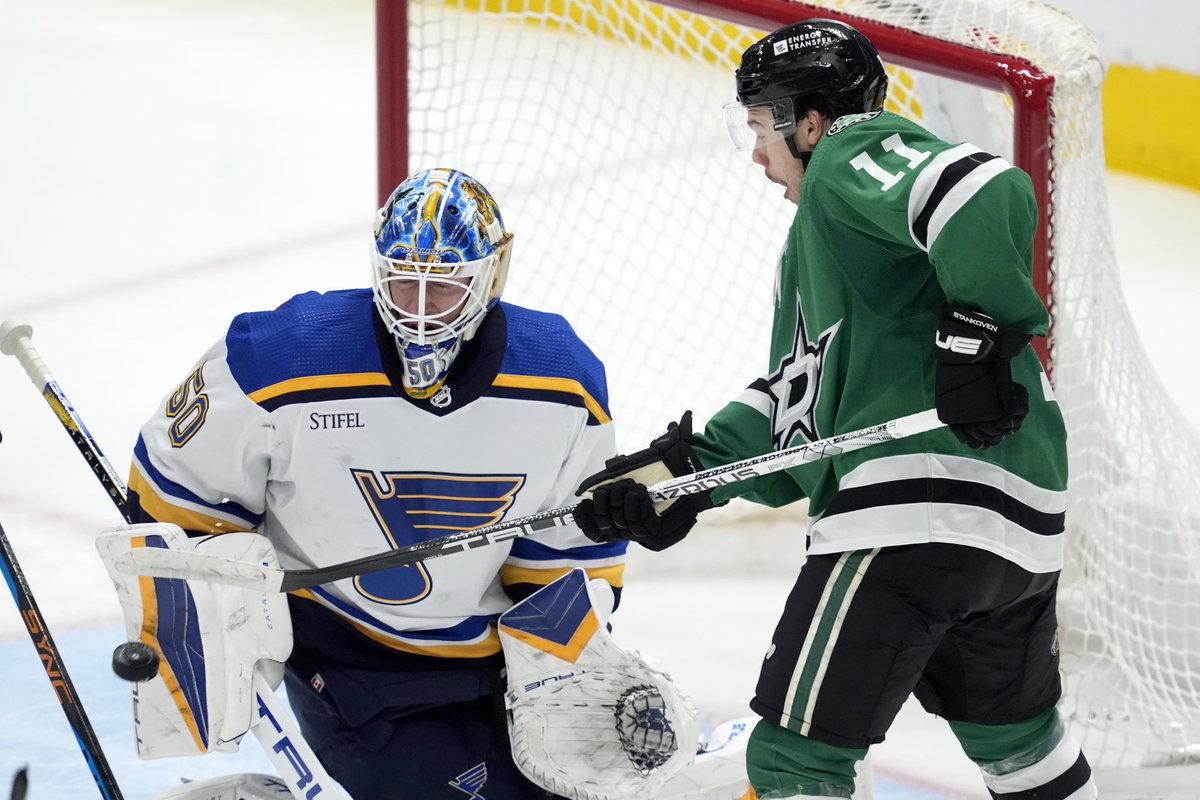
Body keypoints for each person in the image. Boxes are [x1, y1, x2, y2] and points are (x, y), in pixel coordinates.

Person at [573, 19, 1098, 800]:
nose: (756, 152)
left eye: (761, 125)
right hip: (1017, 531)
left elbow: (983, 187)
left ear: (811, 121)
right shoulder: (834, 250)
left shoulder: (850, 156)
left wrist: (980, 333)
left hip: (910, 514)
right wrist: (681, 474)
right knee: (1018, 744)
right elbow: (800, 420)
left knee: (798, 761)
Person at [125, 168, 627, 799]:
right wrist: (219, 603)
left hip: (495, 667)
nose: (417, 312)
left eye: (442, 289)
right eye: (400, 282)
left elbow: (563, 557)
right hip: (351, 667)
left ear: (492, 276)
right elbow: (170, 484)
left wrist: (558, 674)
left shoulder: (563, 380)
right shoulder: (283, 357)